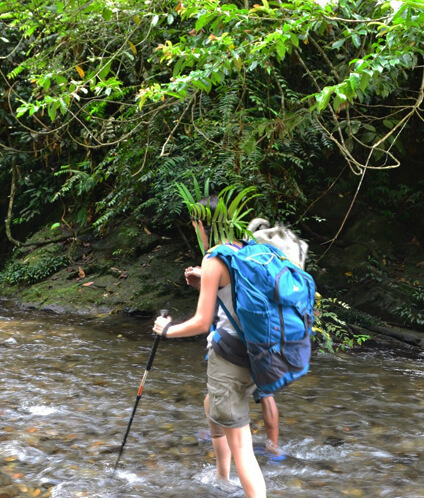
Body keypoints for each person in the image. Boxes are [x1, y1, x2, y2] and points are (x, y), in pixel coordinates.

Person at [153, 195, 266, 498]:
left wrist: (167, 330)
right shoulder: (247, 249)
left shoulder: (214, 258)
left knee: (242, 447)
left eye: (195, 226)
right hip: (259, 354)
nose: (196, 232)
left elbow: (202, 323)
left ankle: (239, 485)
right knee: (210, 405)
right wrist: (206, 282)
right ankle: (221, 478)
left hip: (230, 357)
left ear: (203, 224)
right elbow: (237, 294)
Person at [184, 264, 282, 457]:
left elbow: (230, 294)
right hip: (264, 339)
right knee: (263, 393)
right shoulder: (260, 265)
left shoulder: (234, 264)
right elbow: (223, 302)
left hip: (239, 343)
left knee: (263, 395)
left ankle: (224, 439)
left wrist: (207, 277)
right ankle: (270, 445)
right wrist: (203, 284)